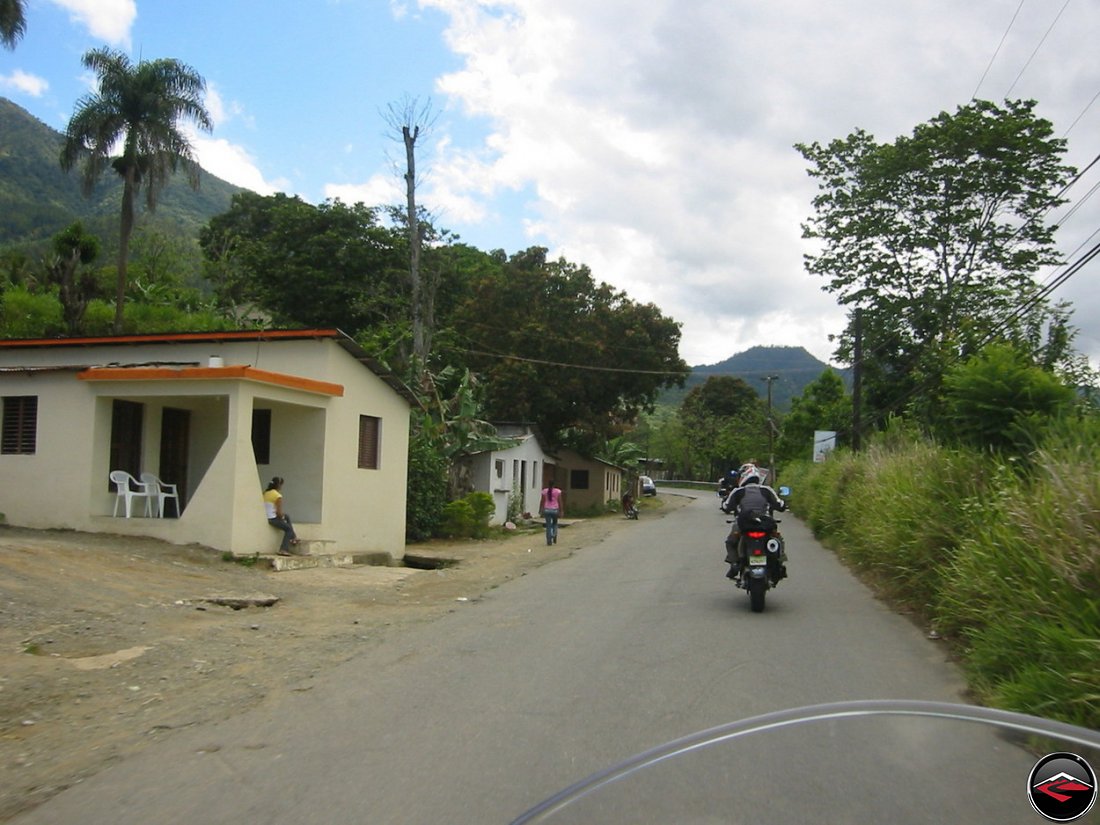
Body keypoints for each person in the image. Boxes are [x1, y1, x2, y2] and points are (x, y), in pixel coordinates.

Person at [722, 469, 786, 578]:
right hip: (765, 524)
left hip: (744, 524)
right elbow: (780, 505)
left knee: (731, 541)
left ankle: (735, 564)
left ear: (743, 478)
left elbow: (726, 507)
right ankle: (779, 563)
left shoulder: (738, 491)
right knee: (778, 540)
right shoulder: (766, 490)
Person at [263, 477, 300, 556]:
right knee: (288, 529)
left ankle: (294, 538)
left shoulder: (265, 493)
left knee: (286, 516)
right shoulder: (277, 496)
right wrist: (282, 517)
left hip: (266, 516)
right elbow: (279, 513)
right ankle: (283, 549)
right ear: (279, 485)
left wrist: (283, 517)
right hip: (272, 518)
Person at [539, 479, 564, 546]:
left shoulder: (544, 491)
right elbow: (560, 501)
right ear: (554, 485)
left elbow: (542, 501)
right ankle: (554, 534)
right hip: (555, 510)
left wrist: (541, 509)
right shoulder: (558, 491)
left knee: (548, 525)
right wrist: (561, 510)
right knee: (555, 523)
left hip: (547, 509)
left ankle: (549, 540)